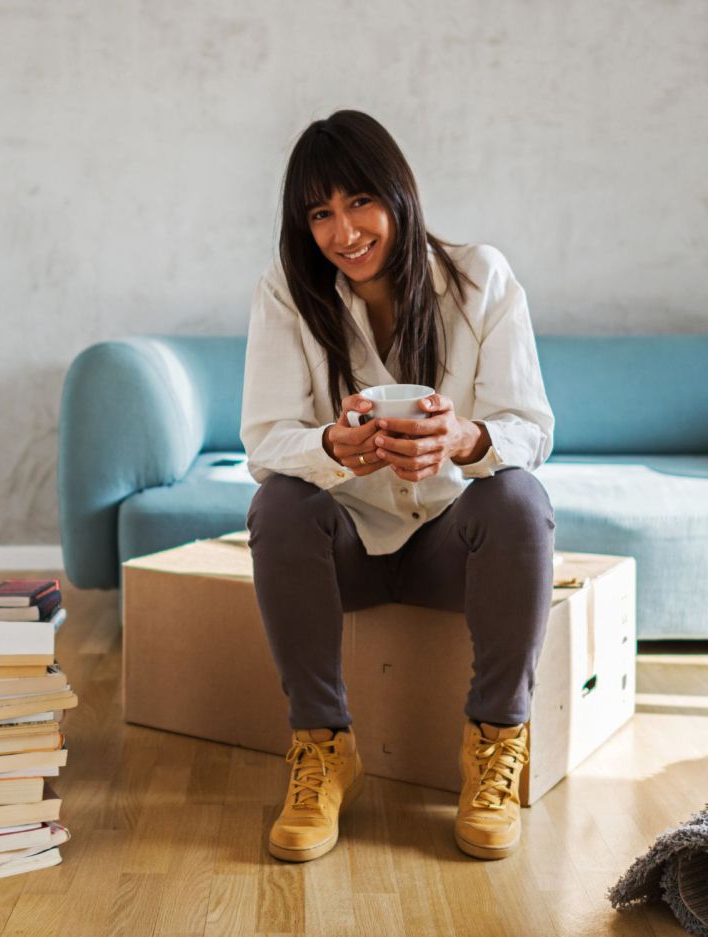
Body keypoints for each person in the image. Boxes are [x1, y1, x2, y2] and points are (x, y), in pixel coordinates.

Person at [241, 110, 555, 863]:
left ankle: (494, 742)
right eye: (320, 213)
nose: (343, 232)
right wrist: (332, 448)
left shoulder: (482, 277)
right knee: (278, 501)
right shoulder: (288, 291)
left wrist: (465, 438)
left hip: (454, 547)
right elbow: (263, 440)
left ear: (399, 193)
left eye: (358, 202)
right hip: (347, 550)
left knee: (518, 499)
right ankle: (322, 746)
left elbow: (530, 426)